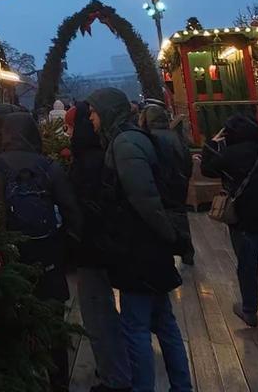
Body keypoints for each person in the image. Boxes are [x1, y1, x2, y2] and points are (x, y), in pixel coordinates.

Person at [87, 88, 194, 392]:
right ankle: (181, 385)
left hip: (139, 248)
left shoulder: (124, 144)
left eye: (93, 112)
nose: (91, 118)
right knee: (164, 323)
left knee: (136, 327)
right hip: (149, 247)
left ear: (107, 111)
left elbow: (143, 198)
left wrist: (167, 235)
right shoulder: (130, 139)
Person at [0, 111, 81, 392]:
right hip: (47, 256)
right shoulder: (50, 167)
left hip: (7, 260)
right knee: (53, 325)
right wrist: (65, 247)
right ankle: (58, 381)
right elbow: (72, 212)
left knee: (9, 322)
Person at [201, 115, 258, 348]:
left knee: (247, 268)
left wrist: (212, 143)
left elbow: (207, 169)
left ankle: (250, 310)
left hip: (244, 221)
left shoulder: (230, 155)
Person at [68, 101, 132, 392]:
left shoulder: (85, 164)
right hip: (107, 246)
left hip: (92, 249)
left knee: (97, 312)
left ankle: (115, 376)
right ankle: (118, 366)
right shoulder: (106, 155)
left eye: (70, 127)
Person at [141, 99, 195, 267]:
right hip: (179, 183)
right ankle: (187, 251)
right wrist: (185, 177)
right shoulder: (175, 136)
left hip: (161, 184)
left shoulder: (150, 138)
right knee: (180, 216)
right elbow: (187, 159)